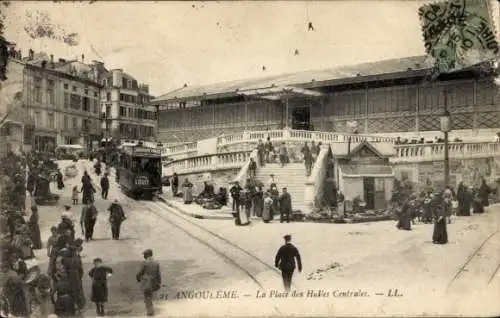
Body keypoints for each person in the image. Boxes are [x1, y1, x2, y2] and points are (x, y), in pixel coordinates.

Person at [136, 249, 162, 317]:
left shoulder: (144, 262)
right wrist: (159, 283)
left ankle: (150, 313)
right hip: (154, 282)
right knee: (150, 297)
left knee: (147, 297)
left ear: (147, 255)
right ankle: (151, 311)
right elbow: (158, 274)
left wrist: (138, 279)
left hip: (146, 282)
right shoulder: (156, 263)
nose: (144, 256)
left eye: (144, 254)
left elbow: (139, 273)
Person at [62, 245, 85, 312]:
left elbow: (63, 266)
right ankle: (79, 305)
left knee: (69, 290)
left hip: (68, 275)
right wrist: (80, 276)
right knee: (77, 290)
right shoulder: (77, 258)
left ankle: (70, 305)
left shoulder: (65, 259)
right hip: (76, 275)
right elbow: (81, 269)